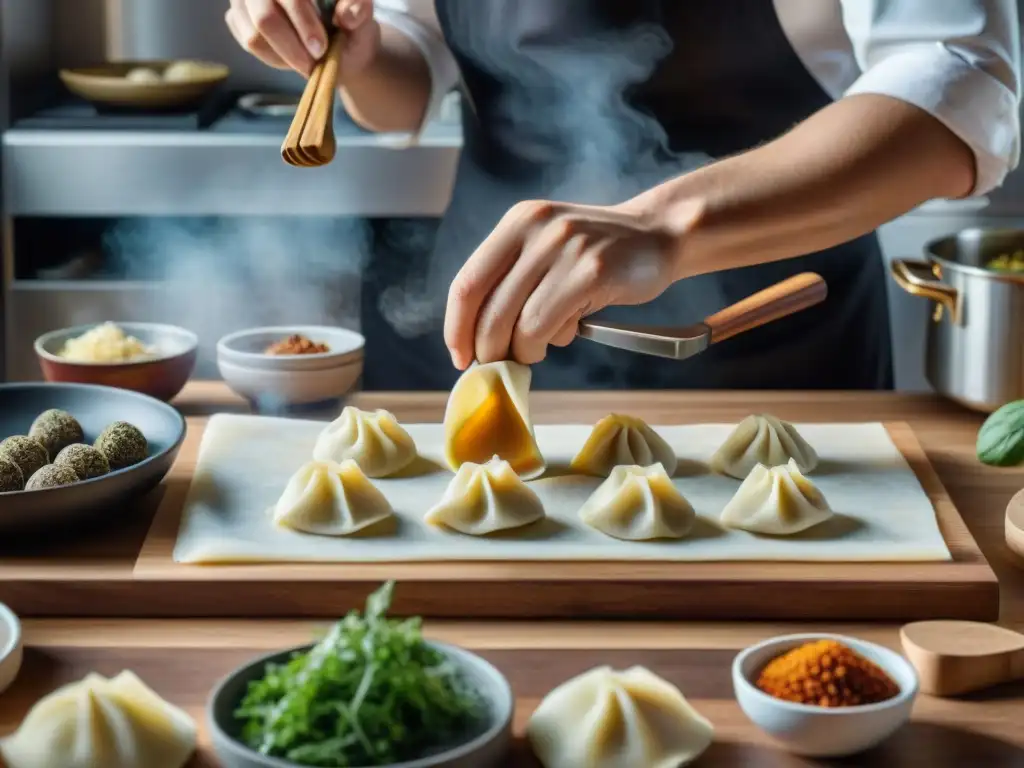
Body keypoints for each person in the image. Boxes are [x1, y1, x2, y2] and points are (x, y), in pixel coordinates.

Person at [227, 0, 1021, 390]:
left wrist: (663, 225)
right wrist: (355, 54)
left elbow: (957, 85)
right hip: (485, 332)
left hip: (764, 359)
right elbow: (409, 78)